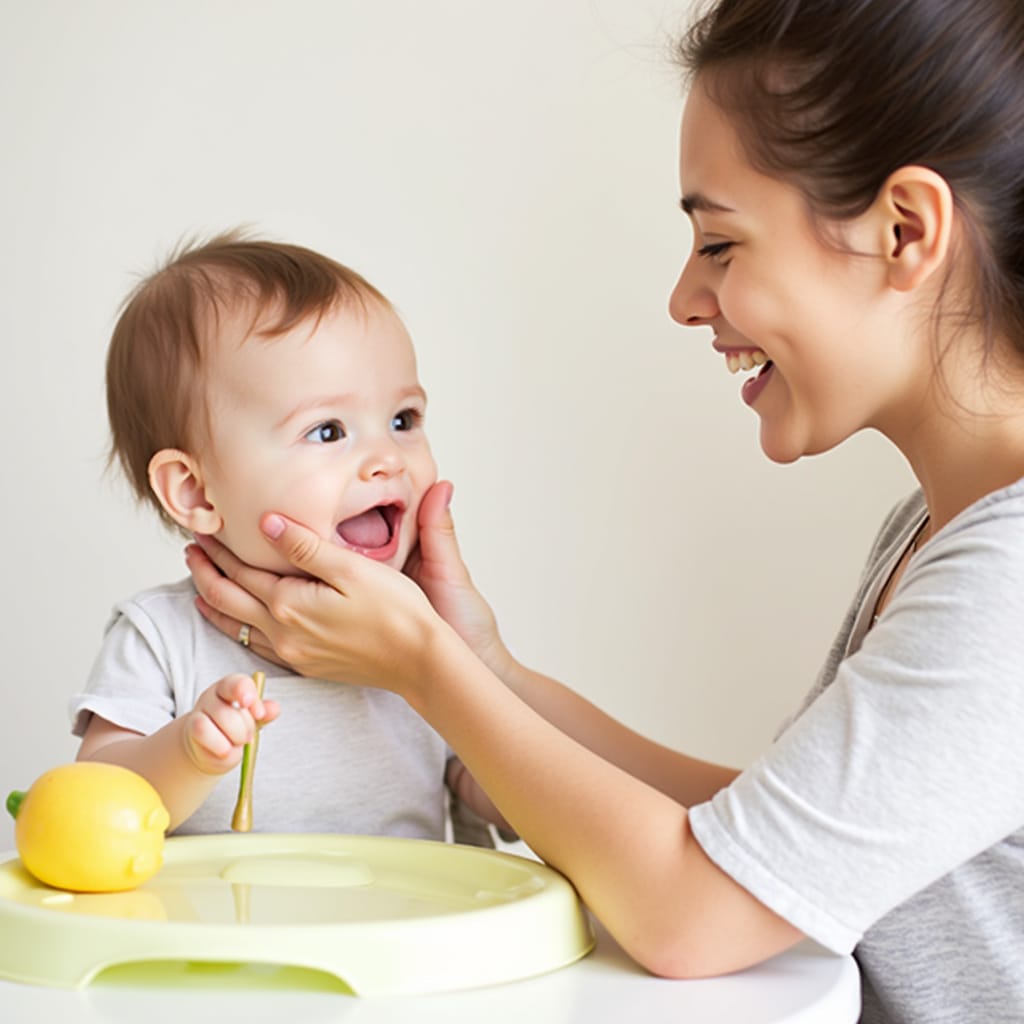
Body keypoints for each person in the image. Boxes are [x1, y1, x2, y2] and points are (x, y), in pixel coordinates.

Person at [183, 1, 1024, 1020]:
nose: (683, 296)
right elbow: (756, 839)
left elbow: (694, 912)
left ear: (904, 230)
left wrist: (424, 668)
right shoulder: (937, 529)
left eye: (718, 244)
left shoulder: (1005, 583)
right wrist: (486, 666)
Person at [71, 232, 505, 842]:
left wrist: (476, 697)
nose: (387, 458)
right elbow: (92, 805)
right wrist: (187, 754)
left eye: (402, 420)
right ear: (195, 492)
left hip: (399, 930)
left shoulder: (424, 631)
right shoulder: (162, 637)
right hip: (219, 936)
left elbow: (504, 788)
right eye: (327, 431)